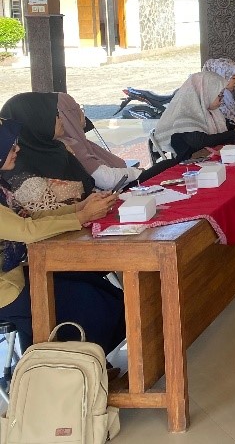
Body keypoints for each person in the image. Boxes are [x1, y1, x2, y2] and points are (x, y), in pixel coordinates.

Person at [0, 116, 126, 353]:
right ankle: (73, 367)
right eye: (9, 145)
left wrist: (79, 208)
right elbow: (27, 231)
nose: (17, 149)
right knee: (89, 301)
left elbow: (27, 218)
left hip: (17, 273)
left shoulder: (1, 188)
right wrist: (81, 218)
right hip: (5, 292)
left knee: (101, 288)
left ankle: (91, 362)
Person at [0, 92, 97, 211]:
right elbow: (33, 223)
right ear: (37, 121)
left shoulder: (58, 149)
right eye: (53, 115)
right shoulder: (18, 170)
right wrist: (84, 213)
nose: (60, 119)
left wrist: (89, 204)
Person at [153, 70, 235, 162]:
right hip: (191, 165)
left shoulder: (209, 111)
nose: (221, 99)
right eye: (219, 95)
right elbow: (201, 141)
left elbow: (226, 124)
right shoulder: (185, 115)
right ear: (205, 94)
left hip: (209, 160)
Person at [56, 93, 141, 191]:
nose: (83, 114)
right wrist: (136, 172)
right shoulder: (70, 146)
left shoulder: (76, 142)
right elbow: (107, 180)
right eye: (78, 109)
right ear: (69, 116)